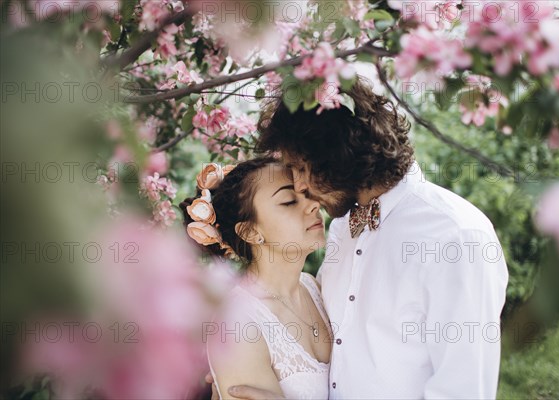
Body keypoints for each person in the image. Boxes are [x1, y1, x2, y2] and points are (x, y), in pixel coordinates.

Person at [223, 77, 509, 399]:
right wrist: (243, 361)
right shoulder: (342, 229)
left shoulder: (454, 236)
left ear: (336, 154)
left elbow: (462, 391)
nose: (301, 187)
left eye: (301, 168)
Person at [180, 157, 332, 400]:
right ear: (250, 231)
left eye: (307, 193)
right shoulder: (237, 326)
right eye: (289, 201)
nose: (313, 205)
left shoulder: (313, 286)